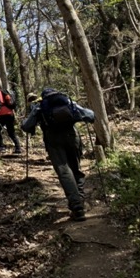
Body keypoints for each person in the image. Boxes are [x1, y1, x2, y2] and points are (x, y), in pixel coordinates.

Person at [21, 87, 95, 221]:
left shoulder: (40, 107)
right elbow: (90, 115)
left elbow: (26, 126)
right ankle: (80, 202)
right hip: (72, 137)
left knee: (64, 172)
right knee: (76, 170)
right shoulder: (68, 102)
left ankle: (77, 207)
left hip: (53, 140)